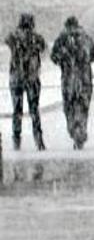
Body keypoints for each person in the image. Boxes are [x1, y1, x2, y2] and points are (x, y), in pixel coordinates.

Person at [50, 16, 94, 150]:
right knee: (83, 106)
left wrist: (65, 62)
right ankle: (81, 128)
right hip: (84, 79)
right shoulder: (86, 38)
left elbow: (54, 57)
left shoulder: (61, 40)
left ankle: (72, 127)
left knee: (69, 105)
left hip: (68, 78)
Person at [5, 13, 46, 150]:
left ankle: (16, 139)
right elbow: (44, 47)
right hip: (32, 77)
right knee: (34, 108)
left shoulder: (13, 37)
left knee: (17, 110)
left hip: (16, 77)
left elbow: (7, 40)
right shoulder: (36, 38)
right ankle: (38, 139)